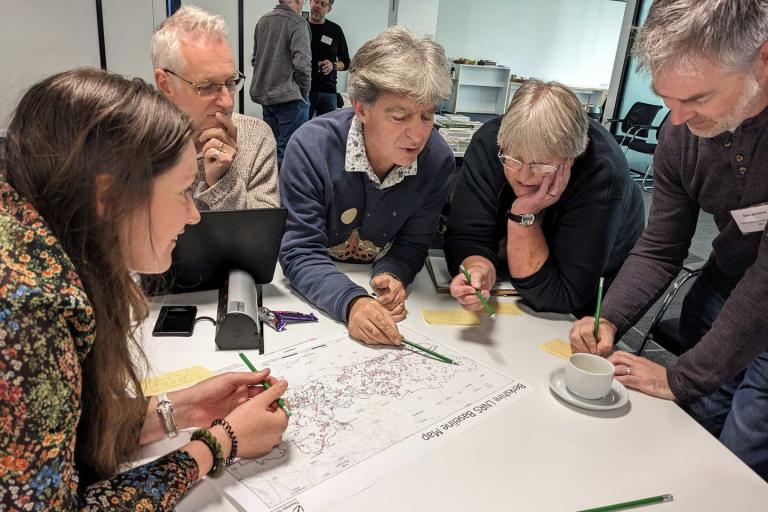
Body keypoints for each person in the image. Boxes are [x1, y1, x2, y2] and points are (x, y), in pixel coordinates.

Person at [0, 68, 290, 509]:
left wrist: (182, 408)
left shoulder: (36, 243)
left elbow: (65, 432)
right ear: (110, 197)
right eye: (181, 194)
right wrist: (218, 444)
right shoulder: (26, 314)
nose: (193, 216)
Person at [569, 0, 768, 480]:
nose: (676, 120)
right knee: (692, 436)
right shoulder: (681, 134)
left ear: (763, 59)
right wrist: (610, 318)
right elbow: (661, 245)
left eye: (697, 99)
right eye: (667, 98)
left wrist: (685, 376)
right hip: (723, 289)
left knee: (743, 450)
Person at [279, 26, 454, 345]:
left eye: (427, 117)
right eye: (400, 117)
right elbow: (300, 250)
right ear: (361, 108)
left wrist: (394, 273)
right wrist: (352, 302)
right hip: (316, 292)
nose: (417, 136)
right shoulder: (311, 147)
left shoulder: (438, 161)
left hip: (375, 291)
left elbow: (414, 244)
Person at [445, 79, 644, 317]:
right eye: (513, 159)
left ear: (571, 158)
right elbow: (466, 236)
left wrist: (524, 215)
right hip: (525, 267)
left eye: (541, 165)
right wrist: (479, 268)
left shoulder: (603, 172)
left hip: (594, 275)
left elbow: (561, 296)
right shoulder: (491, 141)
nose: (524, 177)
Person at [152, 5, 279, 210]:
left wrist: (223, 182)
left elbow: (261, 237)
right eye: (208, 86)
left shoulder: (255, 138)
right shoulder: (138, 144)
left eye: (230, 82)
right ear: (166, 85)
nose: (228, 102)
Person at [250, 0, 312, 166]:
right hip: (290, 100)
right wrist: (304, 94)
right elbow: (303, 65)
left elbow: (255, 59)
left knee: (272, 149)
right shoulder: (298, 22)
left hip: (267, 99)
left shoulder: (263, 21)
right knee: (291, 153)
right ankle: (285, 191)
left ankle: (270, 190)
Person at [307, 0, 350, 118]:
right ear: (310, 2)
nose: (318, 6)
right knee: (301, 130)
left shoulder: (335, 30)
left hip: (328, 92)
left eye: (323, 4)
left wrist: (333, 65)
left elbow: (346, 62)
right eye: (316, 2)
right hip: (304, 90)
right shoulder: (301, 27)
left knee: (326, 132)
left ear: (328, 9)